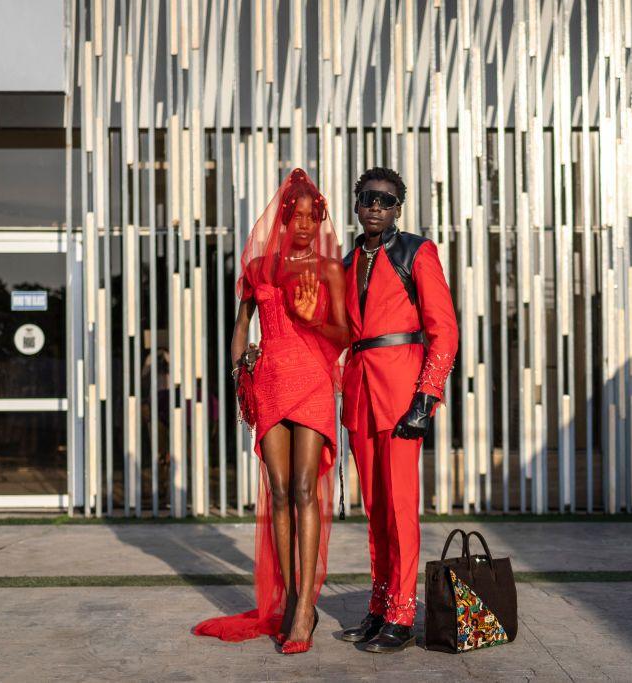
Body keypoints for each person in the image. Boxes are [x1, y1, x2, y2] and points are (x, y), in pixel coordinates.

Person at [193, 168, 348, 655]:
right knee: (278, 491)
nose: (303, 223)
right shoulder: (259, 268)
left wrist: (312, 318)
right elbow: (241, 325)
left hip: (313, 381)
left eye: (311, 216)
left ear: (318, 219)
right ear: (283, 219)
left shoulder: (328, 270)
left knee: (304, 487)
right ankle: (286, 599)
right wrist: (242, 372)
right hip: (272, 382)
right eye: (295, 215)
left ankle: (305, 606)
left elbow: (345, 335)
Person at [339, 167, 459, 653]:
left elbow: (444, 329)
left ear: (398, 208)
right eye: (368, 197)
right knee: (376, 511)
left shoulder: (416, 251)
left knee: (402, 509)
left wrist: (426, 397)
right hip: (361, 395)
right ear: (356, 202)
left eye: (386, 200)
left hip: (403, 395)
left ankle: (403, 615)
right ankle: (379, 605)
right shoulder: (346, 262)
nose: (375, 206)